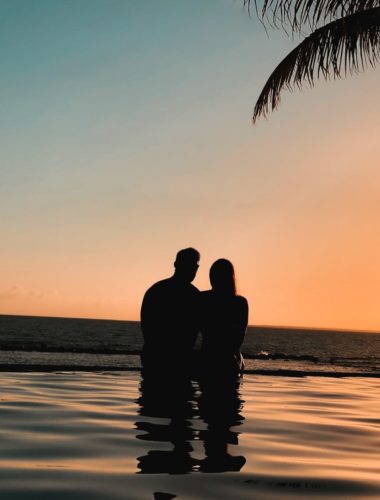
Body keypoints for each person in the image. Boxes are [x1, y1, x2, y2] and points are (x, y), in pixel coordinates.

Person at [140, 247, 200, 377]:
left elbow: (146, 327)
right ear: (177, 265)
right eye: (190, 265)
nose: (193, 269)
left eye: (194, 265)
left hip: (157, 359)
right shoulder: (194, 295)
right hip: (175, 362)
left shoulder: (155, 290)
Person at [200, 259, 248, 380]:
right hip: (230, 360)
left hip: (207, 357)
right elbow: (239, 337)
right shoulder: (240, 303)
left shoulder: (202, 299)